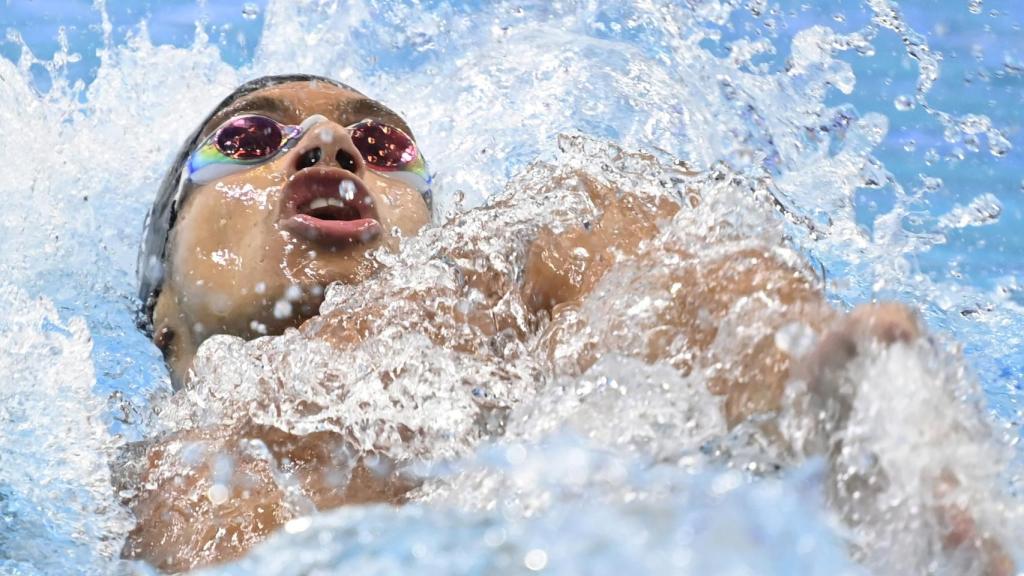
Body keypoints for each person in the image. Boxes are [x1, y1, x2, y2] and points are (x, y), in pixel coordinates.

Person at [125, 75, 1013, 573]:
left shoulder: (489, 289)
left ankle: (813, 388)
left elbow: (643, 274)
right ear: (162, 308)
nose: (327, 141)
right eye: (248, 141)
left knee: (577, 213)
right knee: (199, 465)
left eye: (385, 148)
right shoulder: (171, 466)